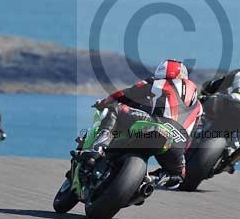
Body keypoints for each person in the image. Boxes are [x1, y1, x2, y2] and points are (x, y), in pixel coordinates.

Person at [86, 59, 202, 189]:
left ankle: (99, 146)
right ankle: (150, 180)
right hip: (178, 141)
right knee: (178, 176)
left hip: (156, 124)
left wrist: (104, 102)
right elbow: (192, 136)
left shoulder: (157, 82)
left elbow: (125, 94)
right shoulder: (199, 105)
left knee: (116, 109)